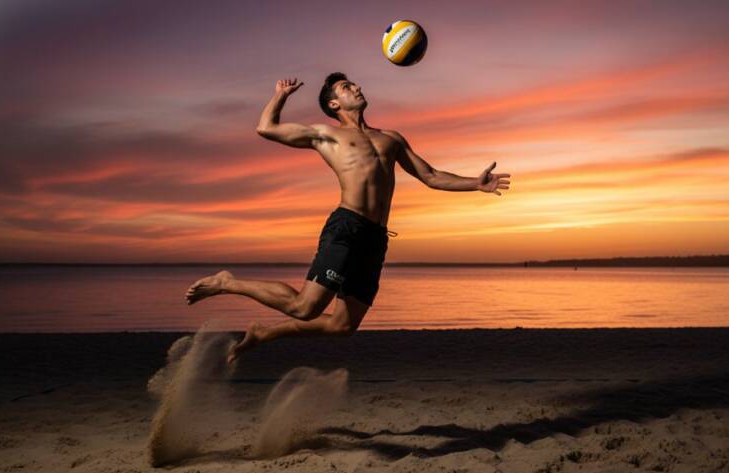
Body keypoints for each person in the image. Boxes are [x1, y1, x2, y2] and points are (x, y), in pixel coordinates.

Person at [184, 73, 511, 364]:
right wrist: (280, 95)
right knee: (305, 308)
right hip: (347, 226)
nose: (356, 87)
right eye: (346, 87)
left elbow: (431, 175)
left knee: (342, 326)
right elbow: (265, 127)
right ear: (334, 103)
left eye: (354, 84)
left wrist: (475, 184)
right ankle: (228, 282)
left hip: (376, 237)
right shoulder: (326, 135)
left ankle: (263, 334)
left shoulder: (391, 138)